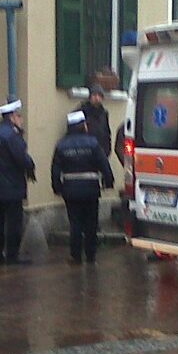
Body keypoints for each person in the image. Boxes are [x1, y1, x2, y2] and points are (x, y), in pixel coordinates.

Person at [51, 111, 114, 265]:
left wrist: (57, 187)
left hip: (70, 191)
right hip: (91, 189)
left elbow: (55, 169)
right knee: (91, 224)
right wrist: (108, 181)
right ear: (82, 126)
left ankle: (75, 256)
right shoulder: (92, 143)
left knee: (75, 224)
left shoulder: (61, 145)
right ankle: (91, 256)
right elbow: (103, 164)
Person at [0, 99, 36, 266]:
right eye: (19, 116)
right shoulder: (12, 136)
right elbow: (21, 158)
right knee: (14, 223)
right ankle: (12, 255)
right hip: (12, 186)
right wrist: (31, 166)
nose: (21, 120)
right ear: (13, 117)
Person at [76, 83, 111, 158]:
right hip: (84, 152)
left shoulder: (104, 113)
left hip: (100, 152)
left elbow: (107, 134)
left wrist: (107, 152)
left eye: (99, 96)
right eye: (94, 95)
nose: (97, 98)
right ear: (90, 97)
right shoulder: (81, 111)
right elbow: (72, 129)